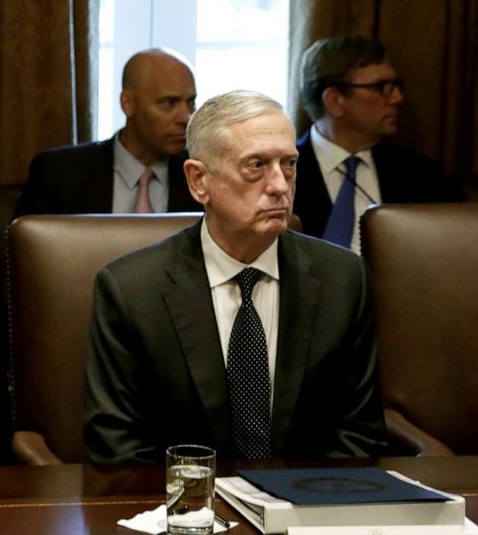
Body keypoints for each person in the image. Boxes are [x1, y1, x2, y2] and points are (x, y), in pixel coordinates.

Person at [84, 90, 393, 463]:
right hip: (184, 511)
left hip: (306, 508)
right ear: (199, 181)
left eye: (289, 164)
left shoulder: (343, 279)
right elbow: (118, 449)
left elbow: (359, 436)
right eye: (256, 165)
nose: (280, 185)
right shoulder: (131, 291)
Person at [295, 35, 464, 252]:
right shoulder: (281, 175)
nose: (397, 98)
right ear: (335, 100)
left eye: (396, 85)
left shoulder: (426, 177)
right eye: (382, 87)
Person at [15, 48, 202, 217]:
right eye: (169, 103)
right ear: (128, 104)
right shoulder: (59, 174)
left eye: (190, 102)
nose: (186, 118)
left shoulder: (202, 176)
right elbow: (30, 252)